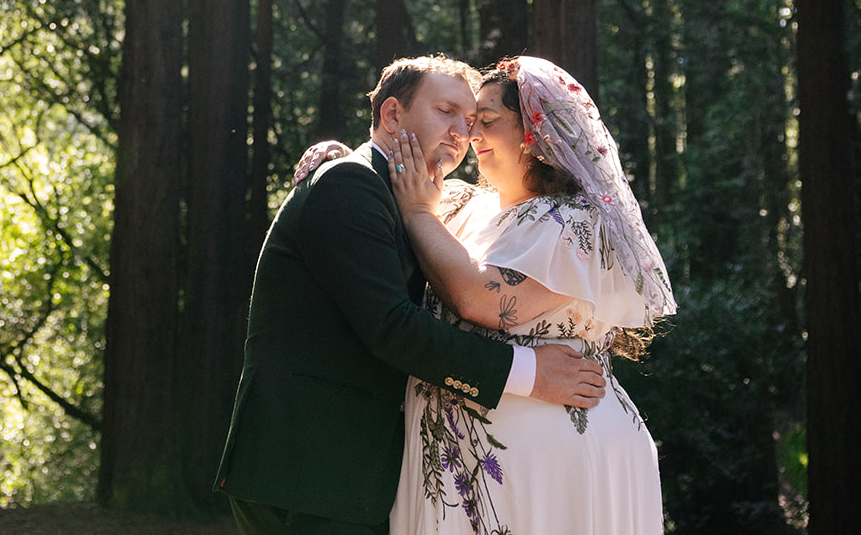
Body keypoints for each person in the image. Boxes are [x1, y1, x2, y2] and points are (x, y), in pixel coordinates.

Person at [215, 56, 610, 534]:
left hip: (347, 474)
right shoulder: (350, 183)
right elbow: (392, 326)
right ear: (391, 115)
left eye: (470, 123)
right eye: (446, 111)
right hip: (307, 465)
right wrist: (530, 373)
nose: (461, 133)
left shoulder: (407, 195)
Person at [385, 56, 677, 535]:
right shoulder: (462, 207)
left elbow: (483, 300)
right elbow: (399, 176)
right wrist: (337, 158)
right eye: (466, 121)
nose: (470, 133)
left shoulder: (573, 221)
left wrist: (418, 214)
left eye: (488, 122)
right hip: (459, 464)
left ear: (538, 134)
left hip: (547, 464)